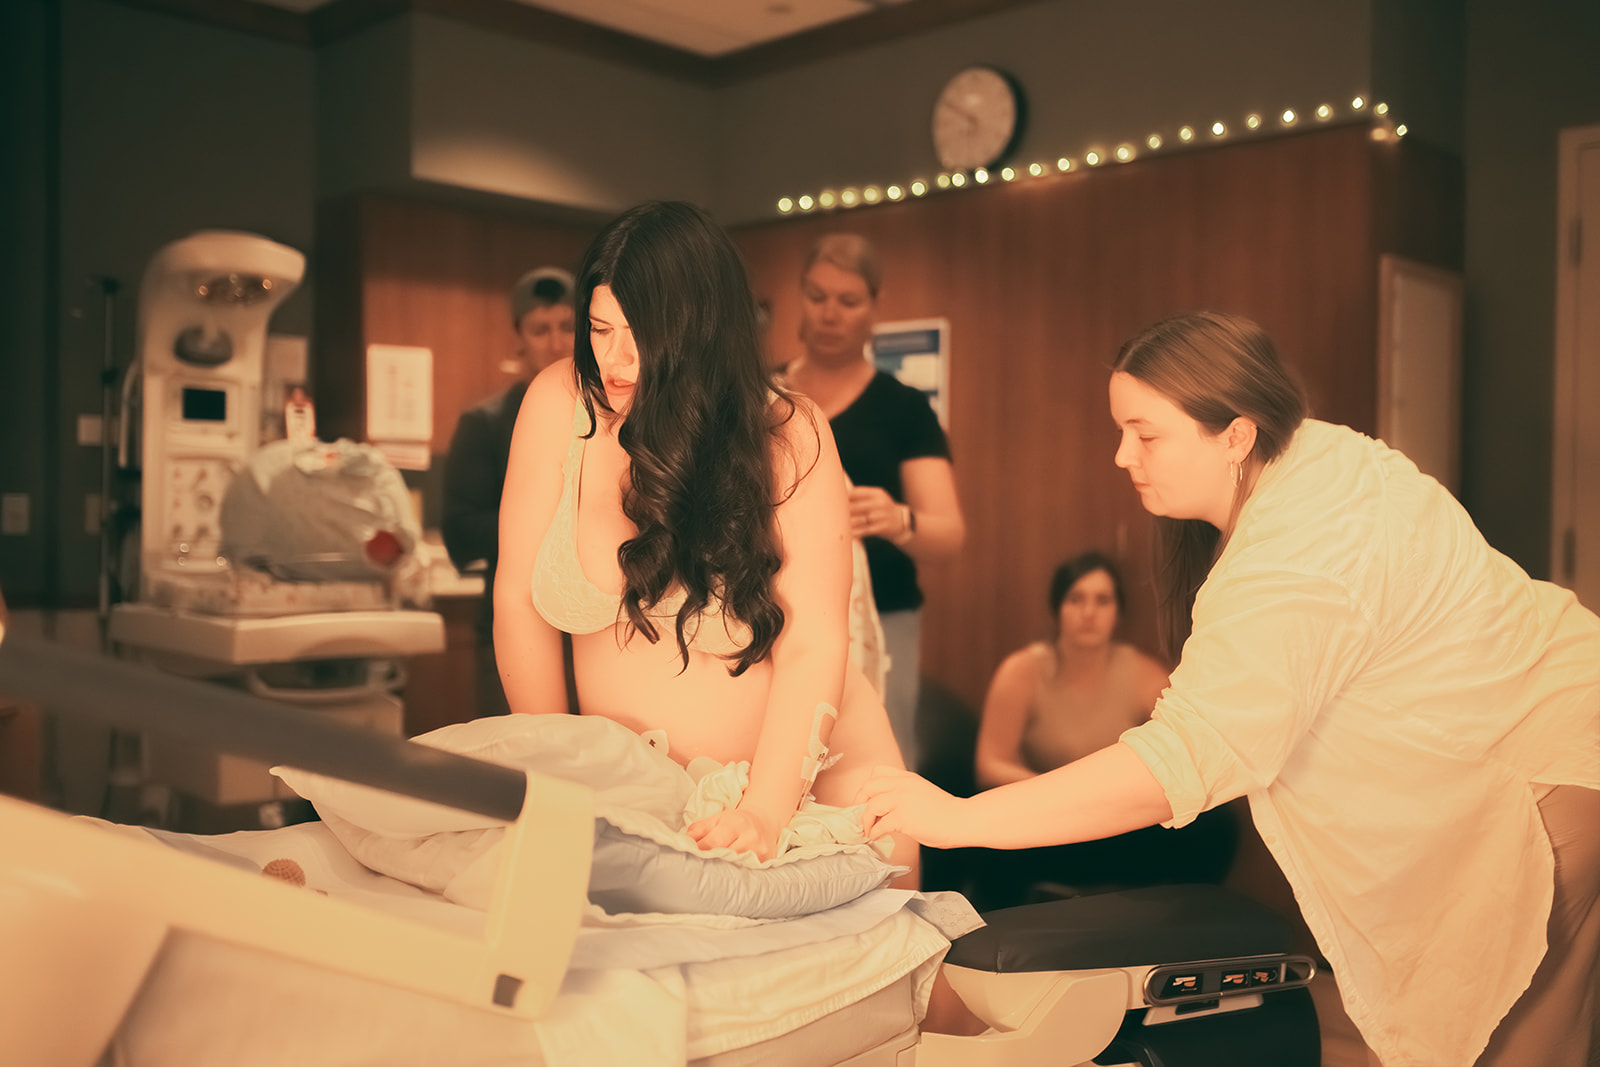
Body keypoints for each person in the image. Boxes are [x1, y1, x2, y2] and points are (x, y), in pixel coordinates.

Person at [859, 311, 1600, 1066]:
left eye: (1145, 435)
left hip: (1539, 772)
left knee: (1504, 1045)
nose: (1122, 455)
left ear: (1236, 435)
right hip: (1541, 729)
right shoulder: (1312, 459)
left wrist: (957, 817)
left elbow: (1181, 759)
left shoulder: (1296, 550)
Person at [494, 201, 914, 873]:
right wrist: (554, 772)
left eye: (642, 335)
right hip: (636, 794)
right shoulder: (558, 401)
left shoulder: (789, 433)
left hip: (810, 789)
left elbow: (813, 643)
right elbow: (517, 600)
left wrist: (766, 810)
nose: (615, 358)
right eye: (600, 328)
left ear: (701, 334)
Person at [780, 234, 965, 774]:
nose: (830, 314)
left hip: (883, 612)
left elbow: (949, 533)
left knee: (878, 768)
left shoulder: (904, 409)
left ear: (875, 307)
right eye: (817, 296)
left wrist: (898, 519)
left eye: (848, 301)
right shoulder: (765, 394)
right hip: (777, 611)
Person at [966, 552, 1234, 909]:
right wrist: (1055, 793)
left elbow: (1186, 746)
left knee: (1217, 828)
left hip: (1114, 822)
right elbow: (990, 764)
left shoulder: (1140, 673)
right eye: (1076, 599)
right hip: (1046, 823)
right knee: (985, 842)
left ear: (1118, 612)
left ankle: (1171, 928)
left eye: (1102, 600)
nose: (1088, 612)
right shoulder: (1022, 672)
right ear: (1057, 608)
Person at [442, 267, 576, 718]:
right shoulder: (485, 423)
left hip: (592, 631)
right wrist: (551, 515)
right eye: (540, 330)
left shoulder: (611, 416)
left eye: (567, 327)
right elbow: (460, 530)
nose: (556, 343)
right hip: (514, 618)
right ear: (519, 337)